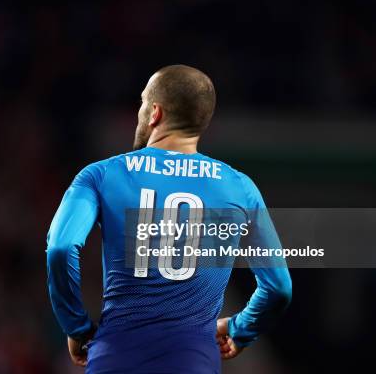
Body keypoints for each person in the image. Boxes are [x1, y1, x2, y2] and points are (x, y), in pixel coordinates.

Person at [46, 65, 292, 373]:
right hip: (193, 361)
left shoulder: (101, 174)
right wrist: (240, 329)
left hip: (115, 358)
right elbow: (278, 287)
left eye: (142, 102)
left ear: (155, 113)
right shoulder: (240, 187)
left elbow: (60, 246)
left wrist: (76, 326)